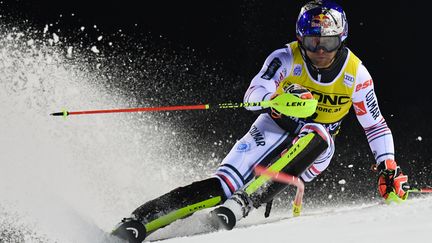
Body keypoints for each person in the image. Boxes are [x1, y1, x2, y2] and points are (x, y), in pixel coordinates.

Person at [111, 1, 410, 242]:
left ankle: (245, 202)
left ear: (341, 39)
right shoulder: (285, 57)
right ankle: (139, 223)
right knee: (222, 185)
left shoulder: (356, 74)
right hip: (273, 127)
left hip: (314, 149)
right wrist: (279, 99)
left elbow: (374, 125)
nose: (320, 51)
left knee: (318, 131)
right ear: (299, 39)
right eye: (312, 41)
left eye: (328, 43)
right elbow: (254, 93)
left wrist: (388, 166)